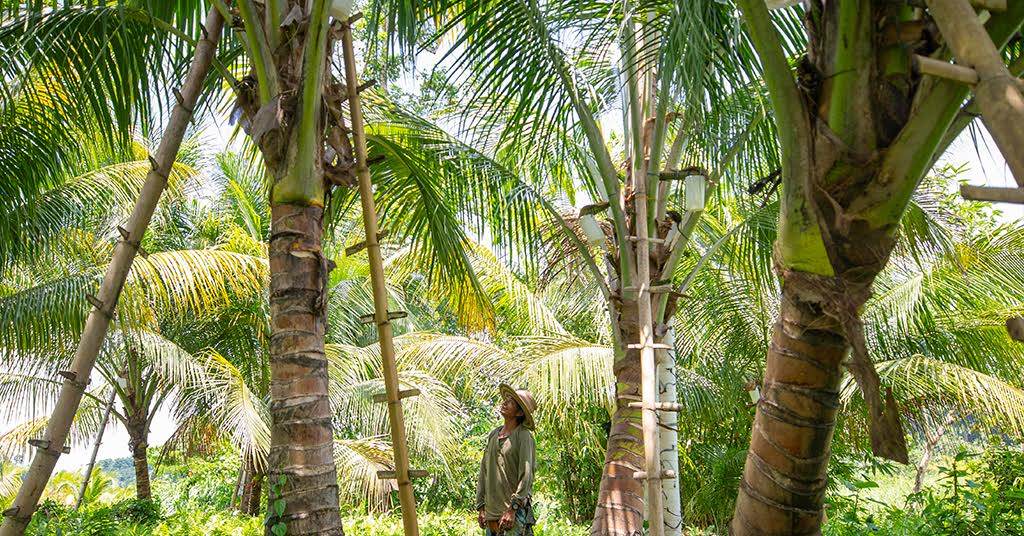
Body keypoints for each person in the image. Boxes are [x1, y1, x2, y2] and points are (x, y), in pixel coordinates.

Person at [475, 384, 537, 536]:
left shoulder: (523, 436)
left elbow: (526, 475)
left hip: (512, 515)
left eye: (510, 402)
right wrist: (481, 507)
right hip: (491, 513)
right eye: (506, 400)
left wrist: (513, 509)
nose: (504, 403)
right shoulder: (493, 435)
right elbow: (484, 472)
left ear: (519, 412)